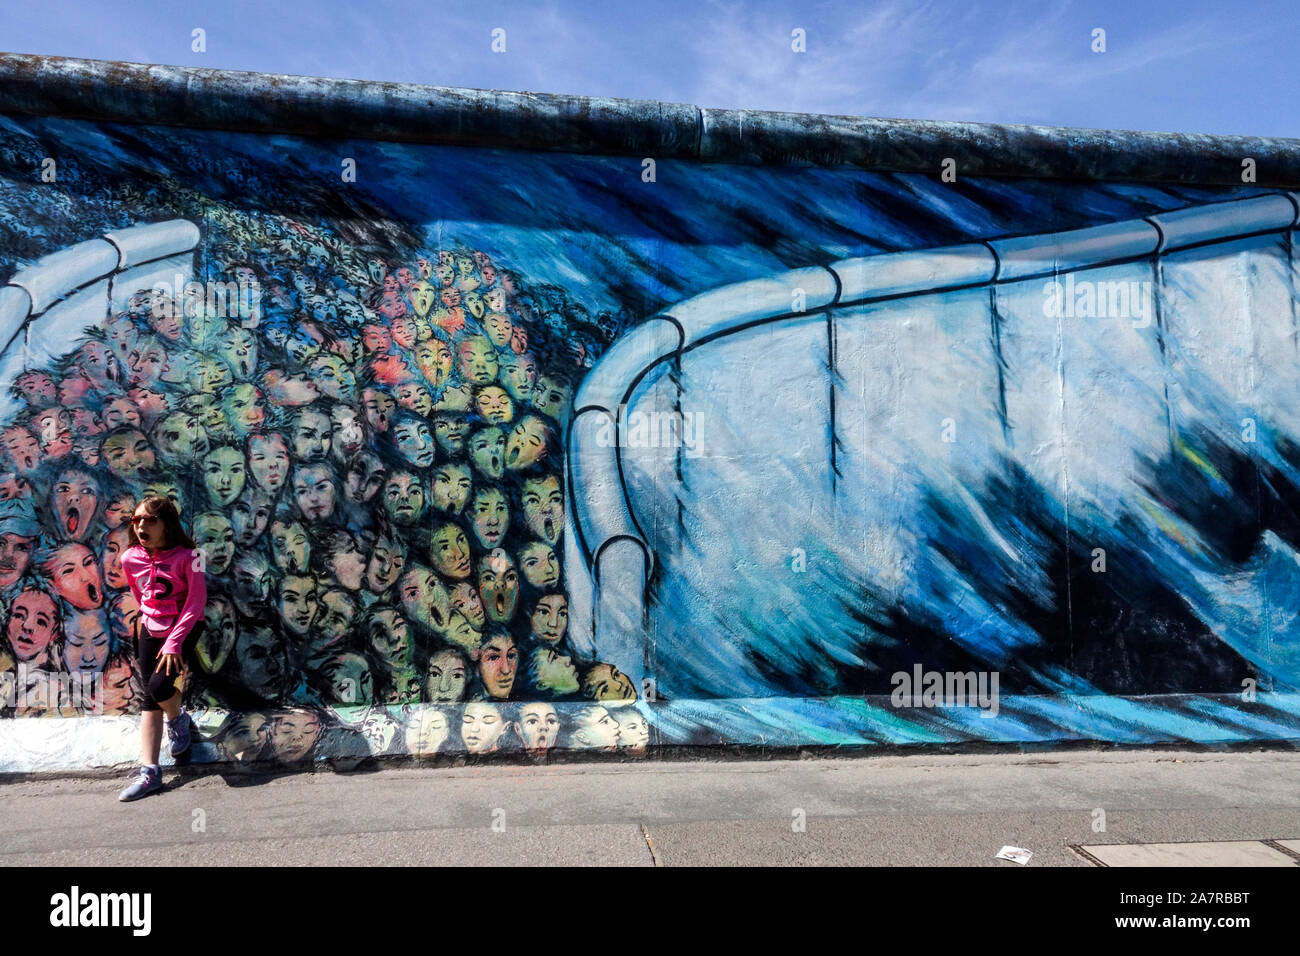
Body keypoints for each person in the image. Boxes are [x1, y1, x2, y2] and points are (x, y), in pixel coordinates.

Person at [116, 496, 208, 801]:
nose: (141, 525)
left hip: (184, 626)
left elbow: (195, 603)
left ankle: (177, 720)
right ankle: (151, 772)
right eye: (137, 520)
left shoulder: (190, 556)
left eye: (150, 520)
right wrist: (146, 620)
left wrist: (174, 642)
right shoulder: (129, 558)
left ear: (166, 524)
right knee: (149, 696)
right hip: (150, 628)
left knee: (158, 686)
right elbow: (140, 593)